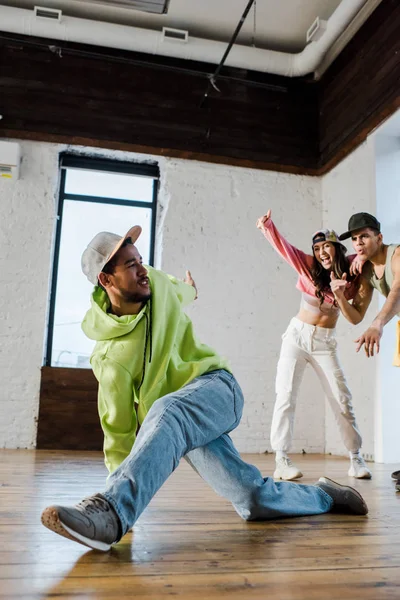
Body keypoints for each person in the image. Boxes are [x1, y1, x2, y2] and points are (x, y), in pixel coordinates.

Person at [41, 225, 368, 552]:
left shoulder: (154, 283)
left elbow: (178, 291)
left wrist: (191, 291)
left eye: (140, 260)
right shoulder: (111, 357)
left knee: (168, 409)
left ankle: (111, 513)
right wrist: (120, 487)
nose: (142, 269)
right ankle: (325, 495)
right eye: (130, 265)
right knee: (252, 500)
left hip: (216, 388)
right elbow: (118, 429)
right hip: (179, 423)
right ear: (106, 281)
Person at [256, 210, 372, 481]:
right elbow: (284, 249)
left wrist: (365, 255)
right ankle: (281, 460)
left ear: (337, 248)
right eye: (317, 248)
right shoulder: (308, 265)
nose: (321, 252)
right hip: (296, 337)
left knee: (342, 397)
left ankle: (356, 459)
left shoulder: (353, 269)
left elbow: (371, 254)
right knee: (285, 395)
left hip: (324, 343)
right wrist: (267, 226)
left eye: (326, 246)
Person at [338, 212, 400, 489]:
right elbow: (355, 316)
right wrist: (339, 296)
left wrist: (378, 323)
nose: (359, 243)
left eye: (364, 236)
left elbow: (398, 290)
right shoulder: (365, 270)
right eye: (354, 239)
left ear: (379, 237)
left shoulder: (397, 255)